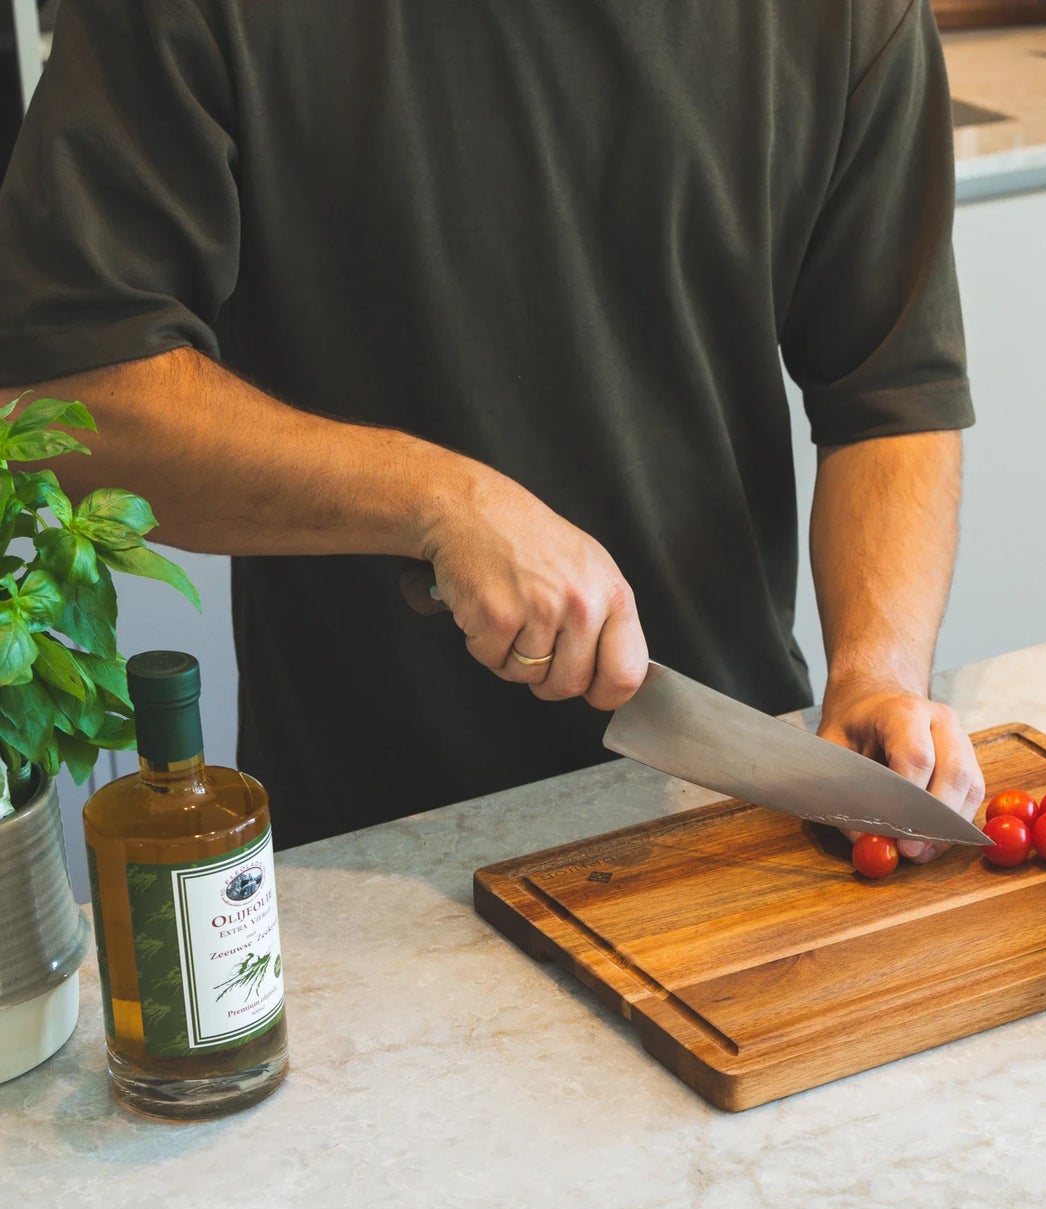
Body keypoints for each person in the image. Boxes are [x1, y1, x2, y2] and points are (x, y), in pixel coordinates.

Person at [0, 0, 984, 851]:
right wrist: (439, 500)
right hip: (370, 840)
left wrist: (876, 672)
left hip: (731, 795)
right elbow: (66, 398)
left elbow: (888, 390)